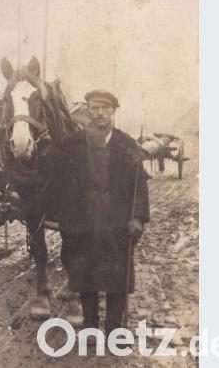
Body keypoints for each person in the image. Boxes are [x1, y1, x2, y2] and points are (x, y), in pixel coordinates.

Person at [51, 90, 149, 335]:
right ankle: (90, 325)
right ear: (88, 110)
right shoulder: (72, 144)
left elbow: (140, 185)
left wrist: (137, 217)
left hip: (117, 222)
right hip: (84, 222)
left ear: (113, 111)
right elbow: (58, 181)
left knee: (117, 274)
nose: (100, 113)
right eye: (95, 108)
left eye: (105, 108)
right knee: (86, 273)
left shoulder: (126, 144)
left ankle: (115, 328)